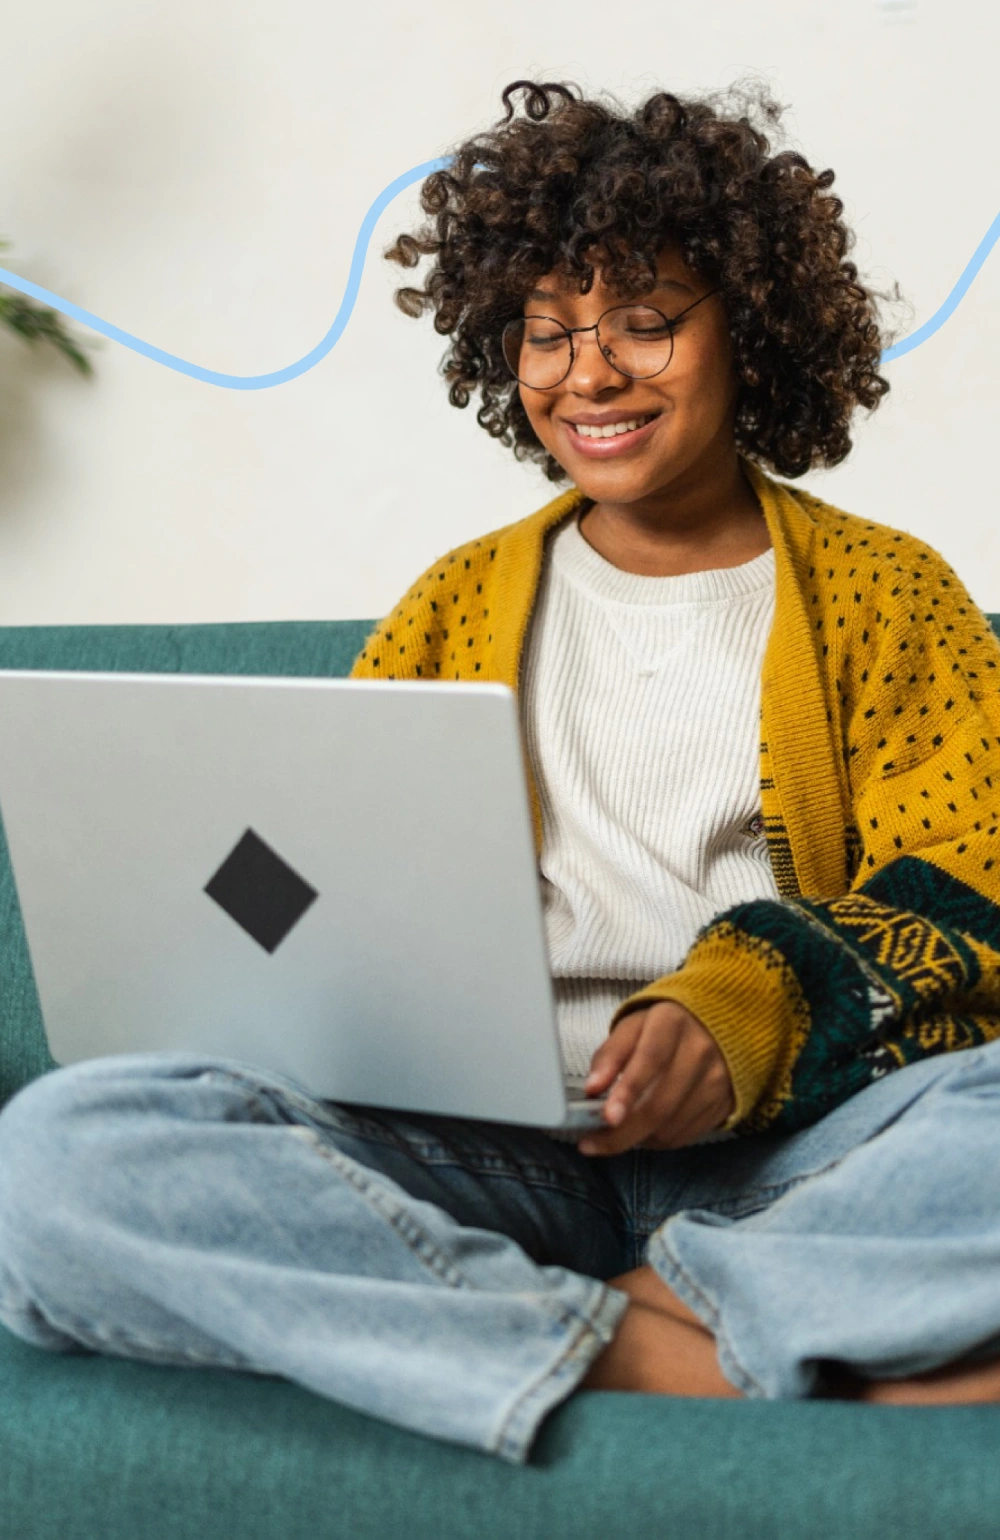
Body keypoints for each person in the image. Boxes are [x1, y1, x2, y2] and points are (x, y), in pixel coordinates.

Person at [2, 79, 1000, 1467]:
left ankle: (509, 1325)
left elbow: (968, 882)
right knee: (62, 1151)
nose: (589, 375)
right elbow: (337, 900)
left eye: (644, 321)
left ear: (753, 329)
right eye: (546, 332)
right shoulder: (449, 609)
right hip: (497, 1154)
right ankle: (679, 1351)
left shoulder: (890, 595)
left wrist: (744, 1007)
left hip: (801, 1155)